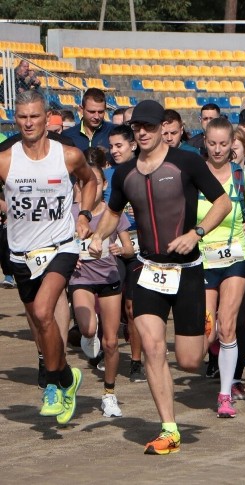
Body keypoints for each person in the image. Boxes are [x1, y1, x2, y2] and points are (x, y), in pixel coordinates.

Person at [88, 99, 231, 455]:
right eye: (138, 127)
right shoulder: (124, 173)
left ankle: (205, 323)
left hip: (187, 272)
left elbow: (223, 203)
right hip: (148, 270)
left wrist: (195, 233)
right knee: (152, 348)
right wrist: (97, 236)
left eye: (149, 127)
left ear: (166, 129)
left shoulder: (187, 162)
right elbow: (112, 212)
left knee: (189, 360)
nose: (143, 132)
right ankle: (169, 428)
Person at [1, 90, 97, 425]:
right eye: (22, 117)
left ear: (47, 119)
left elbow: (89, 181)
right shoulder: (6, 159)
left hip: (61, 246)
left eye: (34, 117)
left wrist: (83, 215)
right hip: (20, 253)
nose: (28, 123)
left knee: (44, 312)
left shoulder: (67, 155)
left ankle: (54, 385)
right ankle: (69, 379)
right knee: (40, 325)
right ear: (16, 118)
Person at [199, 117, 245, 416]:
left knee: (228, 324)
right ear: (205, 142)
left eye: (223, 144)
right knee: (207, 332)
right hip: (203, 260)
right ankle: (217, 353)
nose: (218, 150)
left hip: (236, 259)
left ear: (233, 144)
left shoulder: (242, 179)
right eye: (212, 143)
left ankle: (225, 393)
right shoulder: (194, 176)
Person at [70, 162, 135, 418]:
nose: (89, 188)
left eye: (94, 183)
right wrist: (67, 256)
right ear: (78, 187)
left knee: (110, 342)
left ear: (104, 186)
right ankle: (88, 335)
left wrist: (120, 249)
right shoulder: (71, 212)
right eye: (83, 183)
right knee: (87, 329)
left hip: (109, 276)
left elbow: (129, 249)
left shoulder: (113, 213)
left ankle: (109, 394)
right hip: (80, 277)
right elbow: (57, 244)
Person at [106, 124, 146, 382]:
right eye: (111, 146)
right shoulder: (108, 174)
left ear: (133, 145)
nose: (114, 151)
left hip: (142, 249)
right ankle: (105, 349)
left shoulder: (147, 170)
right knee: (108, 306)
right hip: (112, 248)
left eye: (118, 145)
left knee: (133, 308)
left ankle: (135, 361)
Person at [65, 88, 114, 153]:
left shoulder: (115, 132)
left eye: (101, 112)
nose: (97, 117)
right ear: (81, 110)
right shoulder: (67, 135)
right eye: (92, 112)